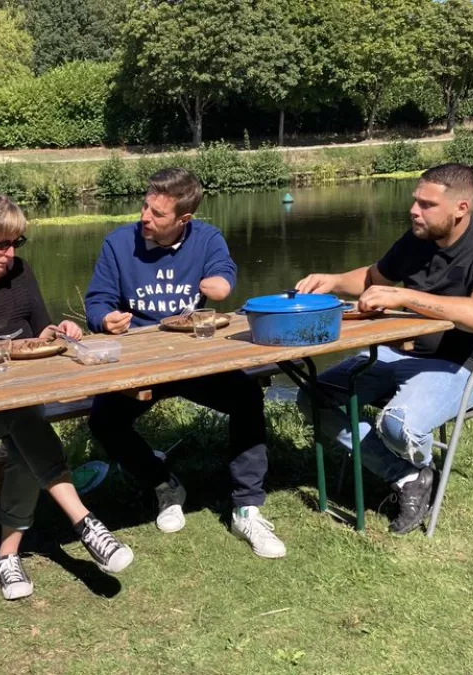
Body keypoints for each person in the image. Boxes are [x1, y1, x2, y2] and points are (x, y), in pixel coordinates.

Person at [0, 192, 134, 601]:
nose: (9, 254)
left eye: (16, 243)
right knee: (24, 420)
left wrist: (59, 333)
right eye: (0, 244)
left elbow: (40, 334)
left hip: (20, 402)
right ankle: (84, 521)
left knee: (22, 430)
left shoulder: (20, 274)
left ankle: (7, 555)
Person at [295, 163, 473, 535]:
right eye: (415, 201)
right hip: (403, 356)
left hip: (465, 367)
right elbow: (373, 277)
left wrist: (404, 296)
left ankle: (408, 470)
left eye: (427, 204)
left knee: (398, 425)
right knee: (312, 399)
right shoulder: (416, 240)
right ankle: (409, 475)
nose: (414, 210)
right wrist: (332, 280)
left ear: (461, 208)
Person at [83, 168, 287, 559]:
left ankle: (247, 506)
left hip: (196, 358)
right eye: (145, 206)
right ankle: (163, 484)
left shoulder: (207, 239)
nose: (145, 217)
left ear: (184, 220)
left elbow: (224, 275)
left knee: (246, 396)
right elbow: (98, 300)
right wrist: (104, 319)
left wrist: (221, 285)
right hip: (140, 363)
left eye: (158, 214)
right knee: (104, 419)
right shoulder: (118, 243)